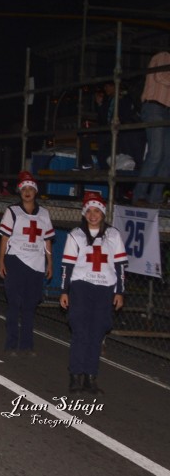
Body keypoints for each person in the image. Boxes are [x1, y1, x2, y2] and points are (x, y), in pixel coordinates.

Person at [59, 191, 127, 395]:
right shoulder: (76, 235)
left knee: (97, 333)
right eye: (89, 211)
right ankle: (75, 376)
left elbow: (121, 265)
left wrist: (120, 292)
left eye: (97, 210)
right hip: (81, 287)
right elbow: (67, 266)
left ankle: (91, 377)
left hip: (105, 289)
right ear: (84, 213)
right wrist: (65, 291)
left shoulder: (113, 235)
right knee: (80, 332)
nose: (93, 215)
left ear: (103, 213)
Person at [0, 171, 54, 355]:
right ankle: (10, 344)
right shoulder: (12, 211)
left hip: (36, 265)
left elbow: (47, 241)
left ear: (36, 191)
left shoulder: (44, 214)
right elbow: (5, 238)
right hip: (16, 261)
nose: (27, 192)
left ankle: (27, 345)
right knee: (14, 304)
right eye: (24, 189)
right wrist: (1, 261)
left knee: (30, 307)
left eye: (31, 188)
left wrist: (50, 262)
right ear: (20, 191)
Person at [133, 51, 170, 206]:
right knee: (156, 154)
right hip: (154, 106)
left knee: (168, 157)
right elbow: (159, 76)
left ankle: (154, 197)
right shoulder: (164, 56)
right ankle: (139, 195)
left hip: (166, 110)